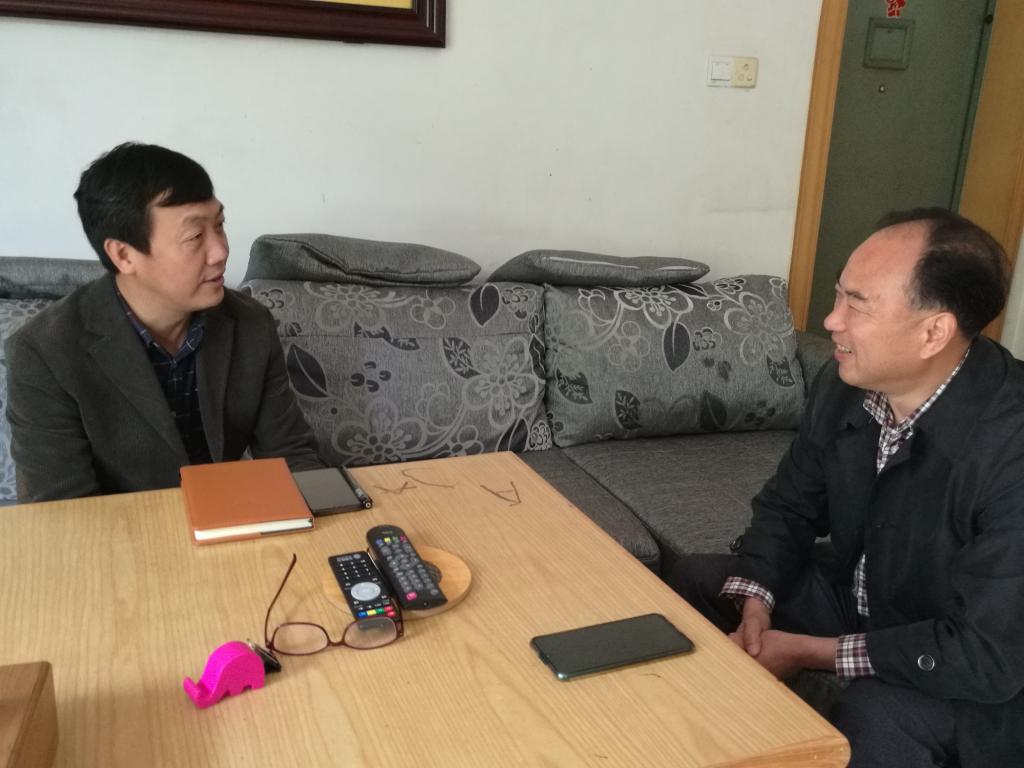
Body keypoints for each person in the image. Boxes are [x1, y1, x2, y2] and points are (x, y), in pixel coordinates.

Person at [667, 208, 1024, 767]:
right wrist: (756, 599)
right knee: (698, 582)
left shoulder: (1010, 445)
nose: (831, 321)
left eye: (857, 305)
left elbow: (989, 654)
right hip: (863, 597)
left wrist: (814, 652)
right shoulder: (846, 384)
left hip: (973, 661)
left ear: (934, 331)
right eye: (839, 295)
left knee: (878, 714)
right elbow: (789, 505)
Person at [5, 142, 324, 502]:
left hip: (230, 519)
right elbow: (61, 509)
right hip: (122, 531)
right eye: (195, 236)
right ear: (124, 255)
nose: (221, 251)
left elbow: (291, 455)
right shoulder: (44, 353)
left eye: (219, 225)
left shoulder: (251, 323)